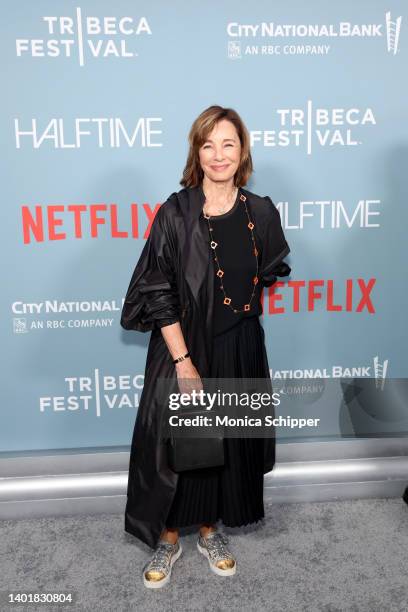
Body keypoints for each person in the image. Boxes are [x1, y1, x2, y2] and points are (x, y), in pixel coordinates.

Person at [120, 105, 291, 588]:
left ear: (243, 151)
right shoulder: (175, 213)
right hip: (184, 347)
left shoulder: (261, 212)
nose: (219, 154)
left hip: (240, 345)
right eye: (208, 144)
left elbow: (269, 270)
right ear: (197, 151)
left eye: (228, 144)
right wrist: (183, 362)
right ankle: (169, 537)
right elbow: (157, 291)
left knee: (225, 448)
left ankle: (211, 529)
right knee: (180, 451)